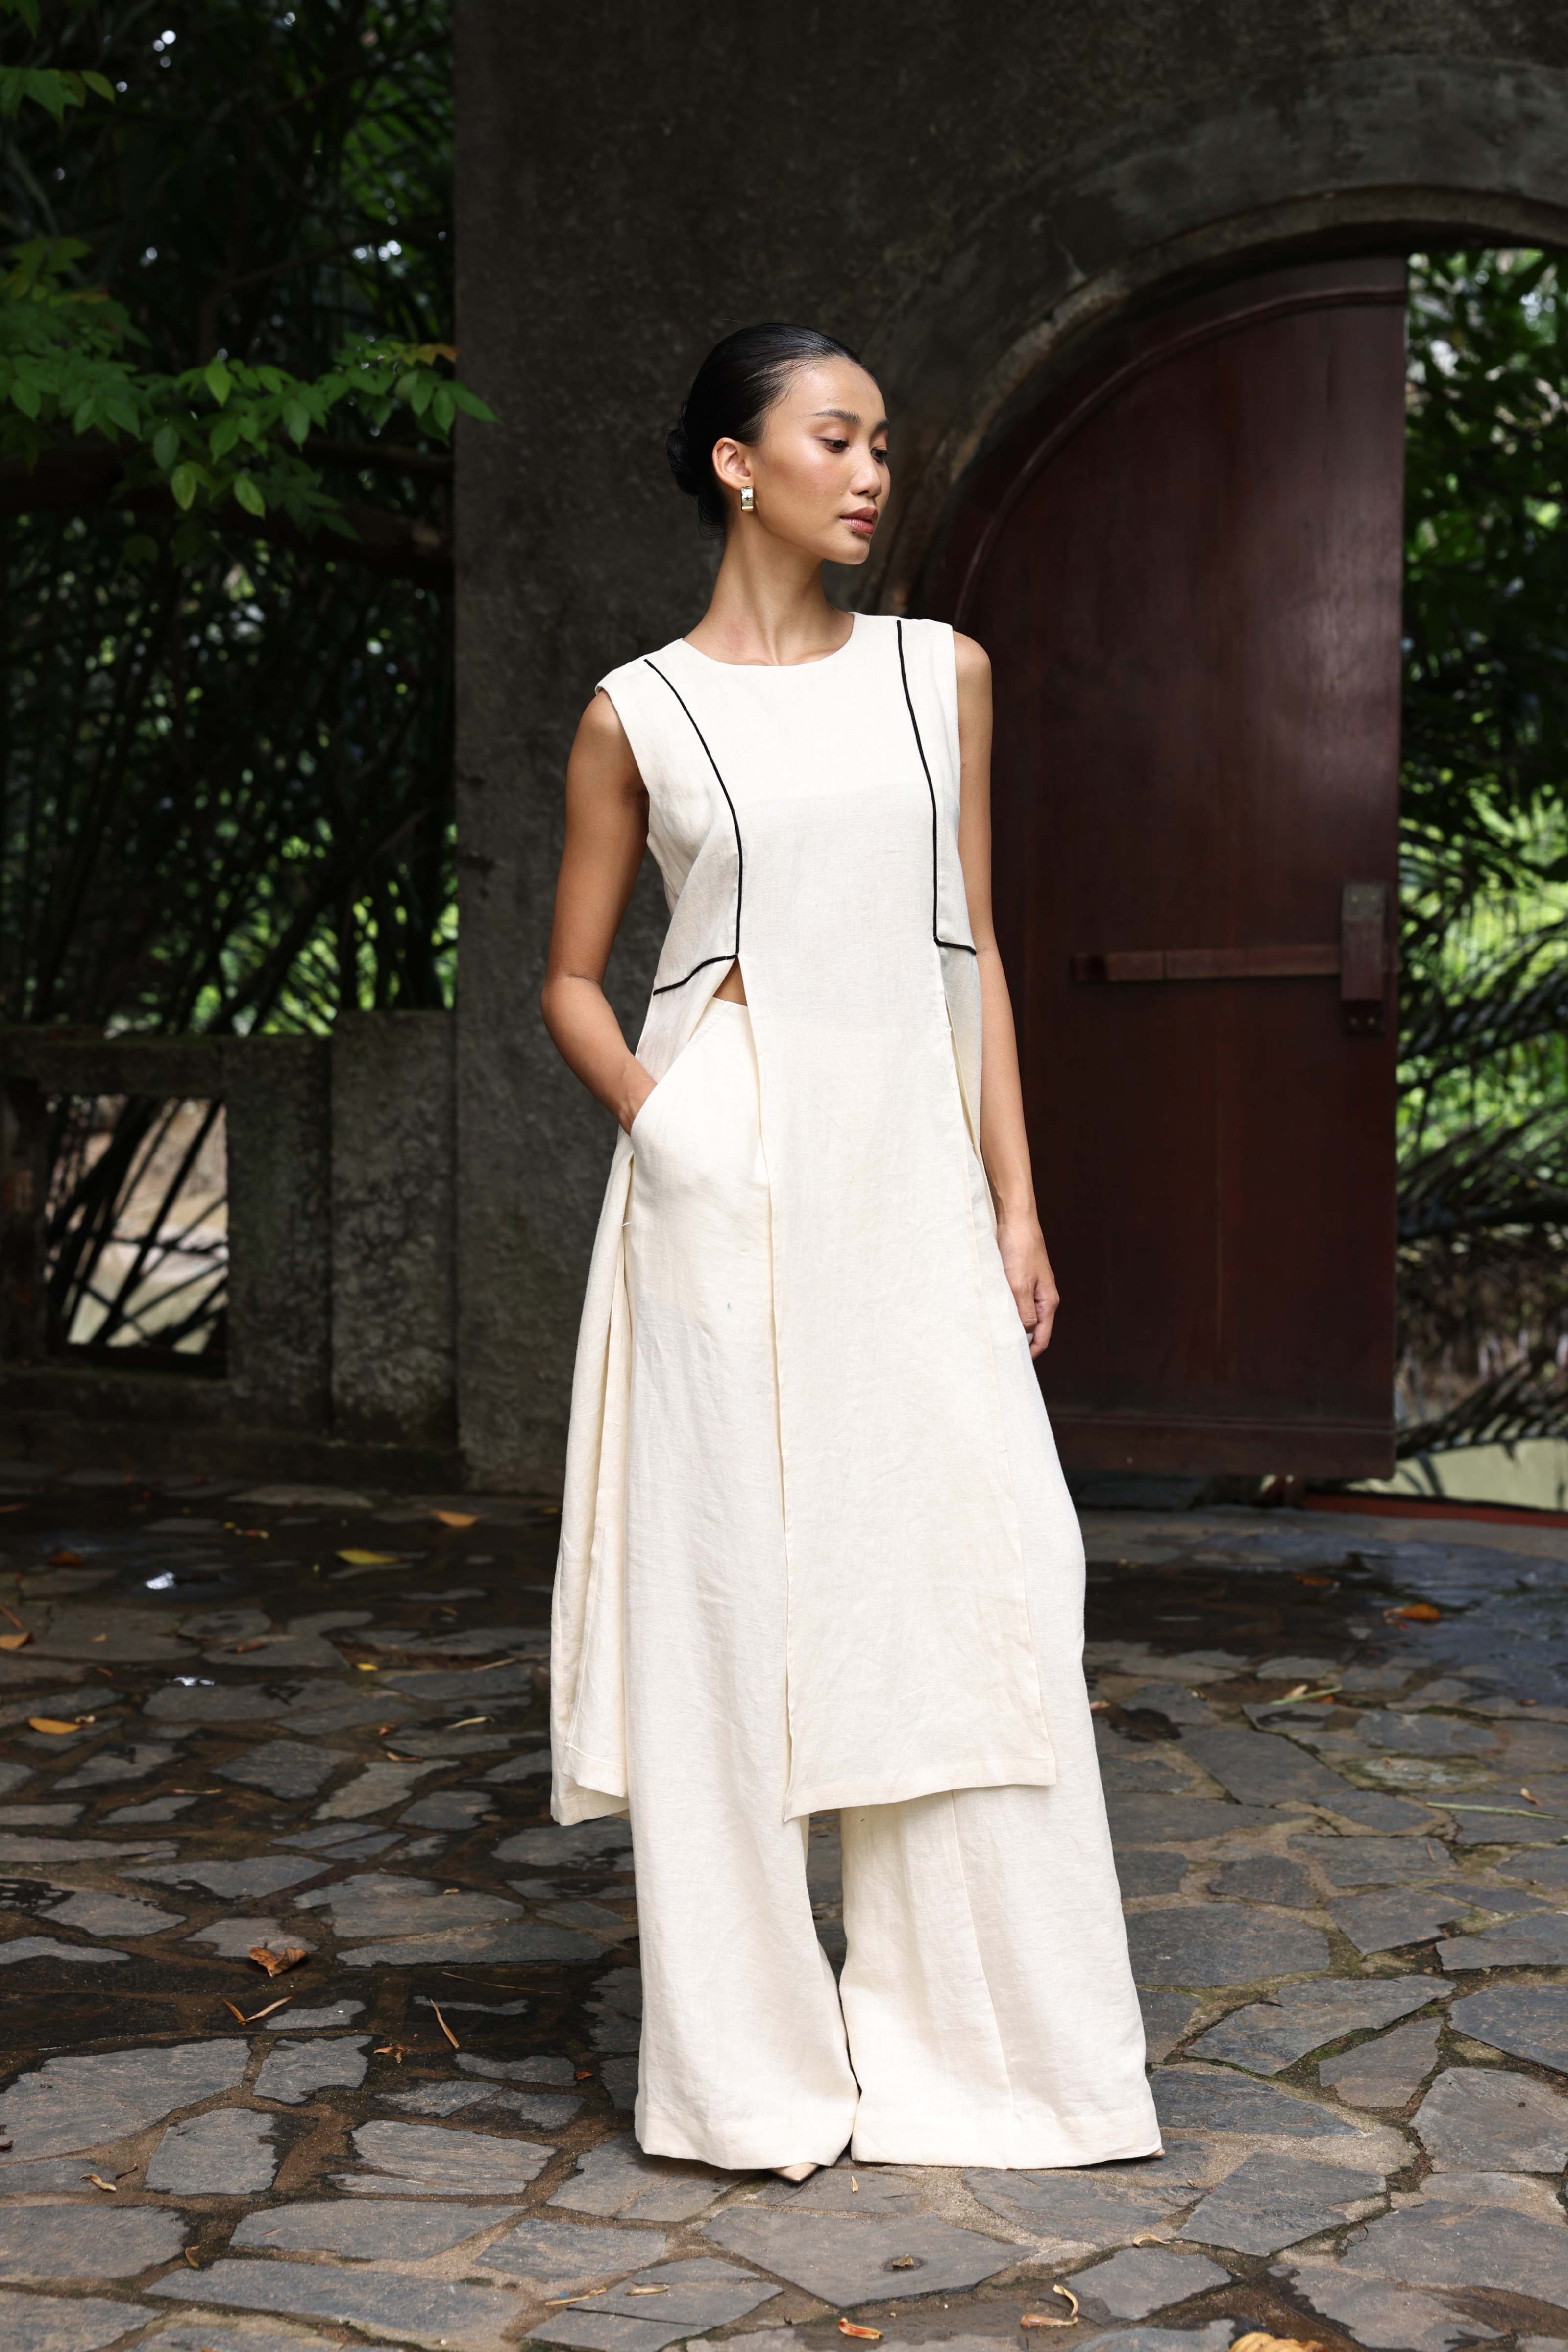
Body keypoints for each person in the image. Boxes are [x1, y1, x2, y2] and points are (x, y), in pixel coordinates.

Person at [541, 322, 1159, 2178]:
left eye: (886, 438)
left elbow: (964, 951)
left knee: (976, 1584)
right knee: (733, 1615)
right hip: (719, 1196)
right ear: (741, 463)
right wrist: (673, 1126)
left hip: (911, 1193)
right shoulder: (636, 709)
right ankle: (749, 2081)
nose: (876, 470)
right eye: (837, 435)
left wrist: (1018, 1200)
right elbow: (571, 978)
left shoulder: (934, 677)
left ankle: (997, 2061)